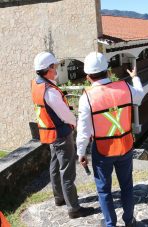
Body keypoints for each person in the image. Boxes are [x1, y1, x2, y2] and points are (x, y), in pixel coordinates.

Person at [76, 52, 144, 227]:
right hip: (125, 146)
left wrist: (81, 152)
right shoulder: (125, 88)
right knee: (127, 187)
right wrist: (135, 78)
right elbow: (140, 95)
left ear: (88, 76)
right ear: (107, 71)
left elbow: (83, 131)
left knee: (104, 191)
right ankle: (129, 221)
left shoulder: (87, 98)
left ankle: (110, 224)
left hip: (103, 149)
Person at [31, 51, 93, 219]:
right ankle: (74, 208)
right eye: (55, 66)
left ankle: (59, 198)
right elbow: (65, 114)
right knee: (67, 171)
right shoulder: (50, 91)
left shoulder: (37, 85)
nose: (57, 69)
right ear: (48, 68)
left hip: (50, 133)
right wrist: (74, 123)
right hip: (61, 134)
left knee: (54, 165)